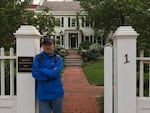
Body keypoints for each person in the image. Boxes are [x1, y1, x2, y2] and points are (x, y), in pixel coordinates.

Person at [32, 37, 64, 113]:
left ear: (53, 46)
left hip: (56, 94)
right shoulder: (38, 58)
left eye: (49, 45)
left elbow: (56, 73)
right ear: (42, 46)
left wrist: (42, 70)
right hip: (43, 94)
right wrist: (50, 74)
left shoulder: (58, 59)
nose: (47, 47)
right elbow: (35, 73)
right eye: (45, 45)